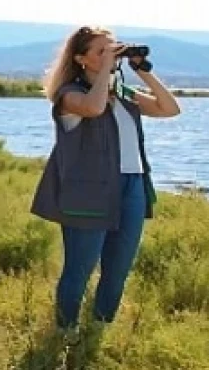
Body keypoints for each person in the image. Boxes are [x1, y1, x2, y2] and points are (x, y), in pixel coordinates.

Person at [29, 25, 182, 335]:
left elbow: (170, 109)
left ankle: (100, 328)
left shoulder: (122, 93)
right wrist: (105, 75)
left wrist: (143, 71)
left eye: (114, 48)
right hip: (88, 192)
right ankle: (65, 331)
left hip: (132, 186)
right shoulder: (69, 94)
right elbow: (94, 108)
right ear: (81, 59)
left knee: (119, 268)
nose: (112, 55)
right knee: (80, 267)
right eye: (102, 51)